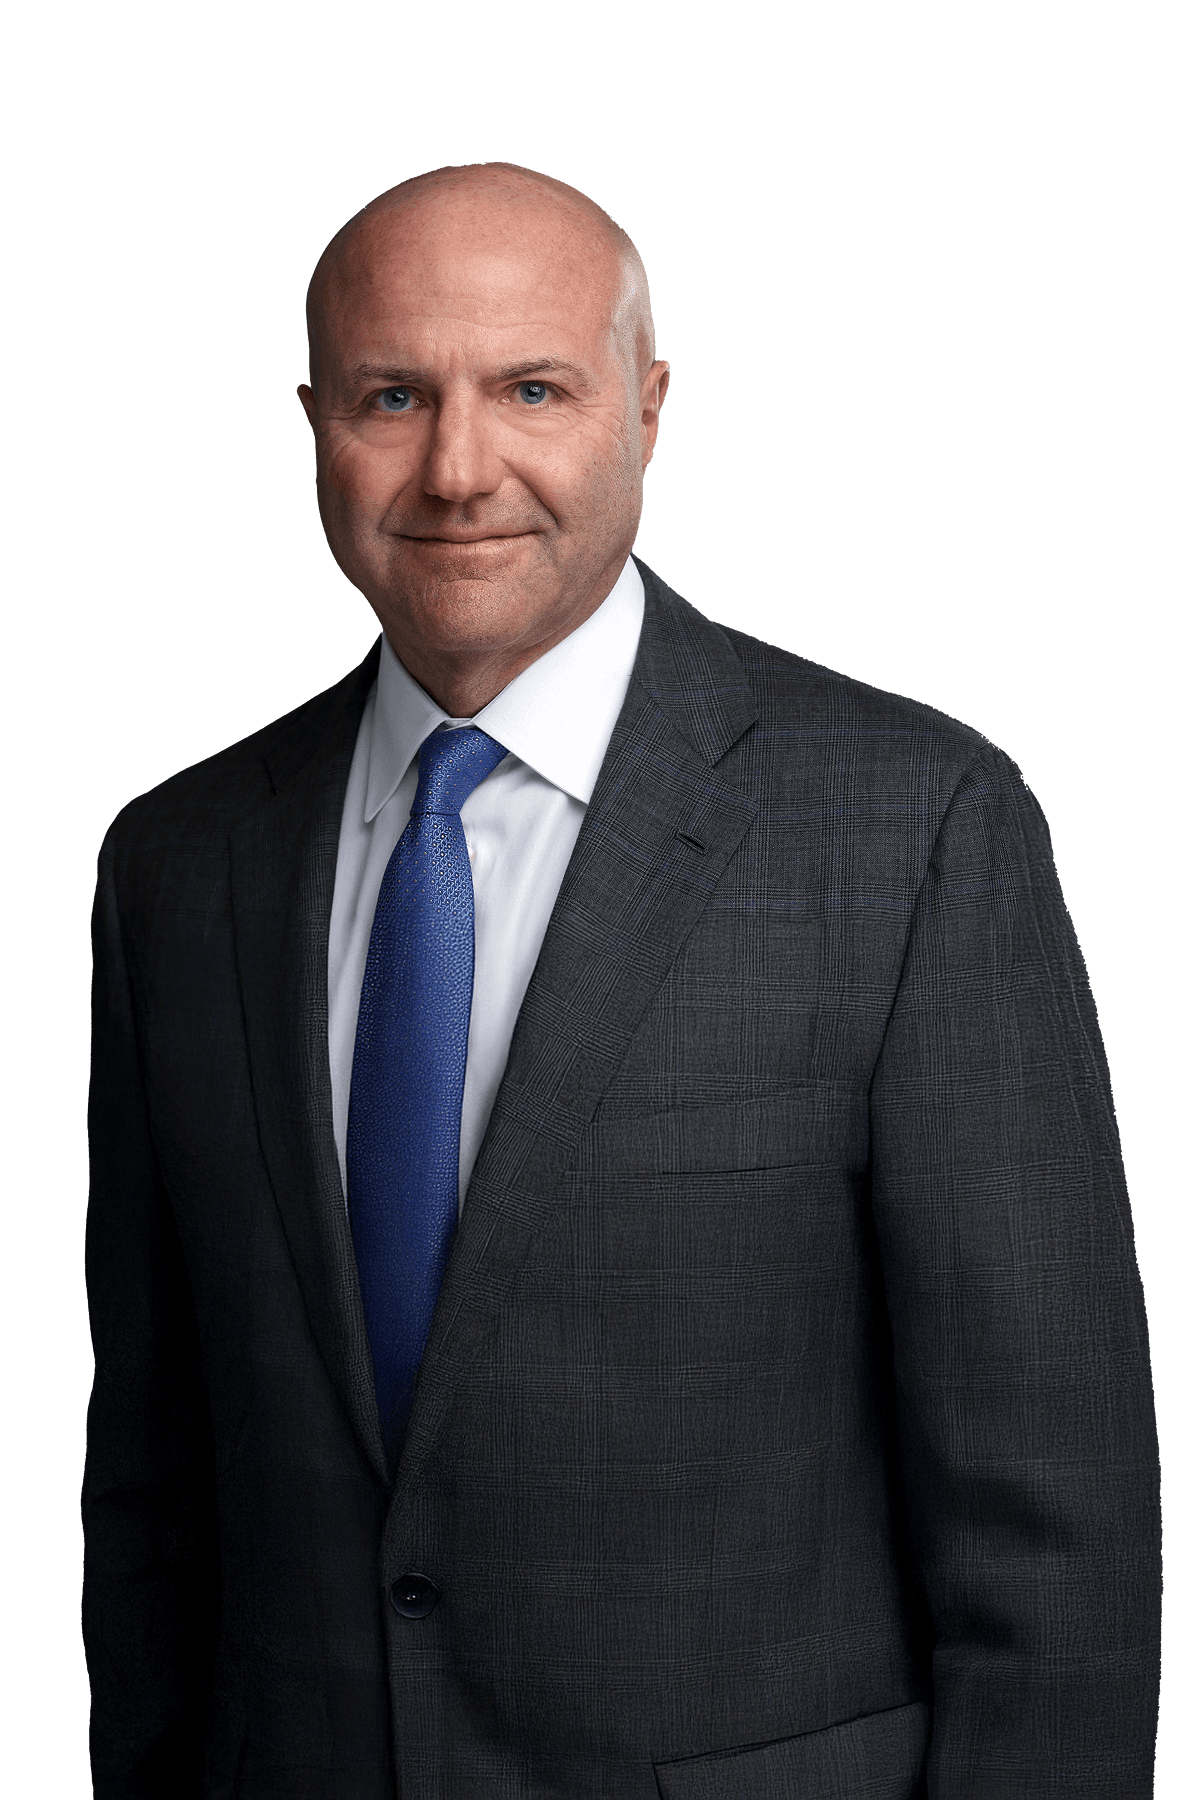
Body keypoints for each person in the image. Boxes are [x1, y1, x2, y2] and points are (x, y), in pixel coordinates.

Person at [82, 162, 1161, 1799]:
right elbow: (152, 1488)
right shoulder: (176, 862)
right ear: (313, 421)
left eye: (532, 388)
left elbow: (1054, 1545)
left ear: (648, 410)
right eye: (393, 396)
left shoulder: (917, 824)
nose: (459, 469)